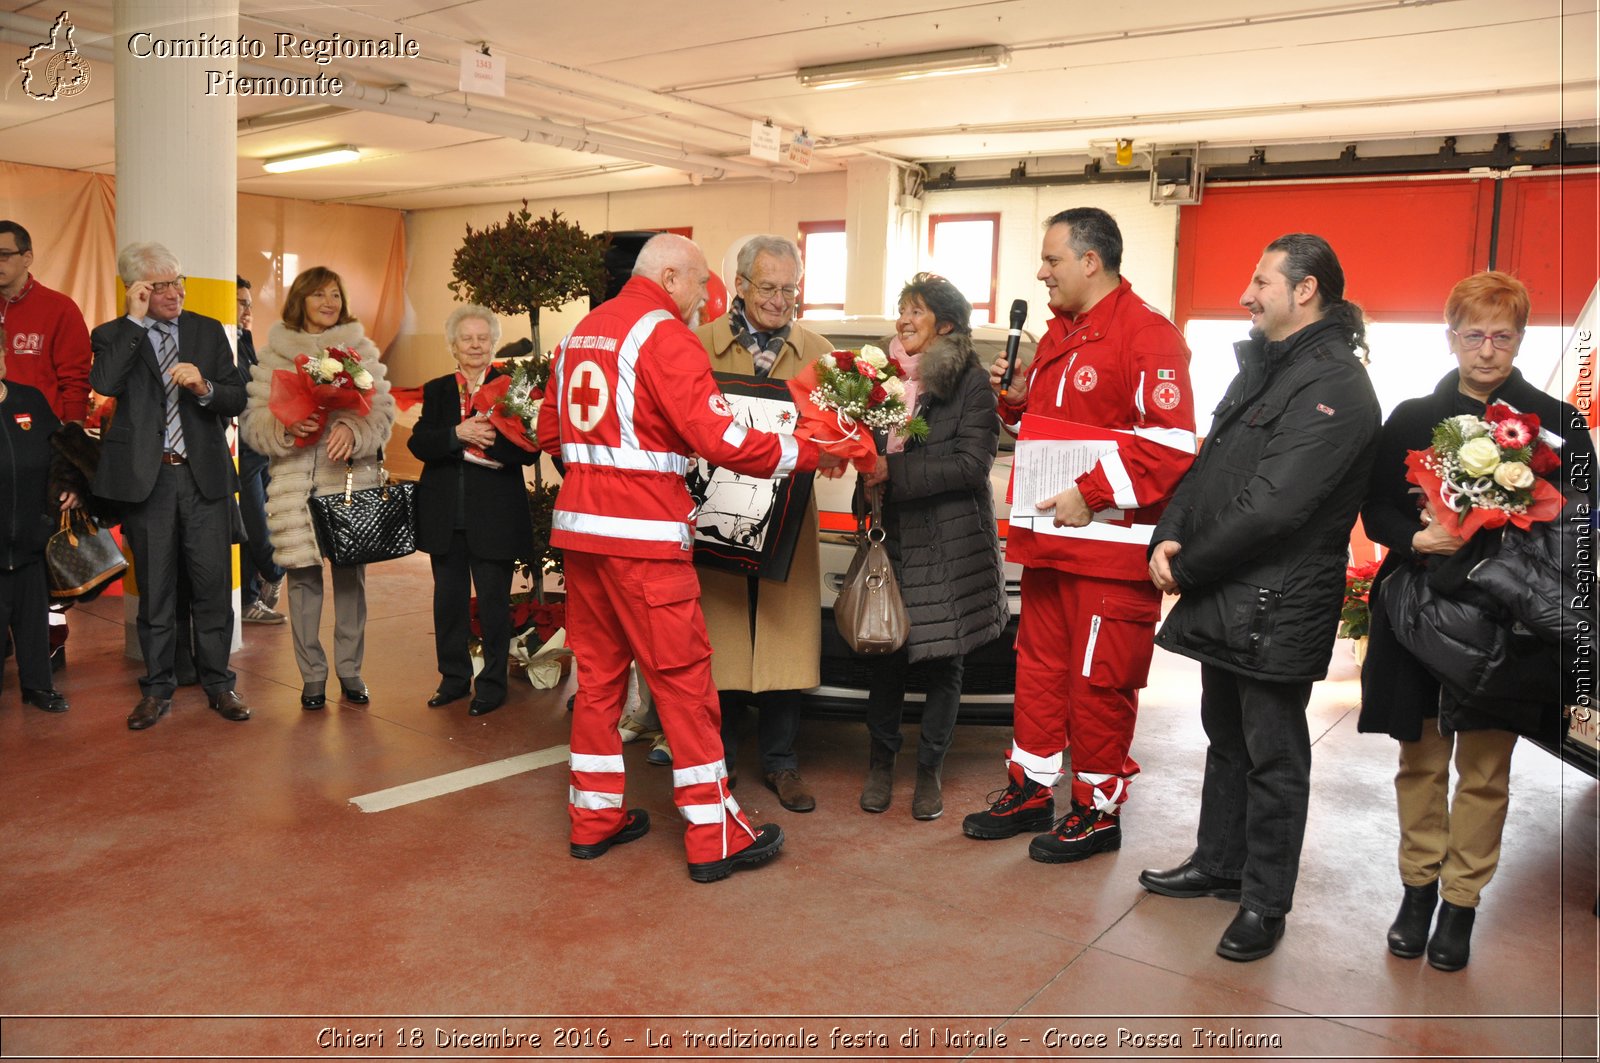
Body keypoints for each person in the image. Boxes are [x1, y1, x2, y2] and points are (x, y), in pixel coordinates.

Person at [537, 233, 842, 882]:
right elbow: (719, 436)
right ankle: (714, 834)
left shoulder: (581, 335)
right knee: (685, 682)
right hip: (644, 543)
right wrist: (808, 454)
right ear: (669, 275)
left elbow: (549, 433)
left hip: (581, 538)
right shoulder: (665, 337)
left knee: (597, 682)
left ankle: (593, 818)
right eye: (700, 283)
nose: (705, 296)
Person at [1142, 233, 1381, 962]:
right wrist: (1170, 532)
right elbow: (1210, 464)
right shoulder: (1268, 368)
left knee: (1274, 758)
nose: (1246, 295)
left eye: (1260, 281)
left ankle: (1264, 902)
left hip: (1277, 600)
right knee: (1225, 737)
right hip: (1230, 590)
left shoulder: (1335, 384)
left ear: (1305, 290)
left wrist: (1190, 565)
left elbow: (1274, 508)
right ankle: (1219, 862)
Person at [1357, 271, 1597, 972]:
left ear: (1521, 338)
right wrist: (1417, 539)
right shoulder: (1407, 416)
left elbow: (1584, 525)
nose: (1487, 349)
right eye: (1473, 333)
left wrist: (1523, 525)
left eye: (1502, 335)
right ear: (1450, 336)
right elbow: (1377, 508)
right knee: (1420, 760)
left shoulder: (1558, 422)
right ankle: (1416, 890)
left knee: (1487, 770)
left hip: (1504, 622)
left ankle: (1461, 902)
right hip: (1420, 613)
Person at [964, 207, 1196, 864]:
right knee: (1037, 673)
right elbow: (1058, 424)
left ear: (1090, 261)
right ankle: (1032, 790)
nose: (1042, 272)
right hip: (1050, 547)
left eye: (1052, 259)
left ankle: (1097, 811)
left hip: (1109, 556)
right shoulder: (1060, 335)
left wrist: (1089, 493)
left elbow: (1171, 447)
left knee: (1098, 684)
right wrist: (1014, 401)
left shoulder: (1148, 335)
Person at [693, 234, 834, 810]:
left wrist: (837, 448)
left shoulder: (821, 352)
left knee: (783, 635)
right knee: (720, 633)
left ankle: (781, 763)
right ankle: (719, 759)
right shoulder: (697, 346)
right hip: (717, 509)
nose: (780, 301)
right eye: (768, 288)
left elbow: (837, 431)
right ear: (743, 286)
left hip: (789, 514)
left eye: (790, 290)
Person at [859, 274, 1005, 820]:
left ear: (944, 324)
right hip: (891, 537)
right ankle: (880, 765)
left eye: (916, 310)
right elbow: (863, 451)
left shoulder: (968, 382)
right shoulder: (880, 377)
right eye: (901, 308)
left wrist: (889, 470)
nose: (904, 319)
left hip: (950, 546)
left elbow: (972, 466)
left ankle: (929, 771)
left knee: (945, 663)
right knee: (885, 657)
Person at [89, 242, 252, 730]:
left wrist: (204, 387)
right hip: (149, 480)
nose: (174, 292)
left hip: (202, 477)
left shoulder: (205, 330)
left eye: (178, 281)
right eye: (160, 285)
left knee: (212, 587)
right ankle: (157, 689)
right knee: (156, 591)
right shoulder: (113, 334)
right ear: (136, 289)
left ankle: (220, 684)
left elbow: (237, 395)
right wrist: (136, 323)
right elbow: (106, 381)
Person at [239, 267, 396, 710]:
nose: (328, 302)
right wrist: (287, 425)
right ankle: (311, 676)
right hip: (292, 486)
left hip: (347, 481)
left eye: (334, 294)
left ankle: (350, 671)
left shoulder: (359, 351)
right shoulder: (273, 355)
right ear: (300, 301)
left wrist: (353, 429)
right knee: (303, 582)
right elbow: (252, 425)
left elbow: (382, 413)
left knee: (351, 582)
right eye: (318, 295)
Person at [408, 304, 538, 716]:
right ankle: (453, 679)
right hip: (445, 514)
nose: (476, 345)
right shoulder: (438, 389)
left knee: (495, 605)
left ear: (494, 342)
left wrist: (488, 442)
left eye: (484, 338)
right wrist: (457, 434)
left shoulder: (514, 386)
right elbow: (419, 443)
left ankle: (493, 684)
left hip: (494, 516)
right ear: (453, 345)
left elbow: (528, 453)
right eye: (468, 338)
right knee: (448, 604)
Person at [0, 326, 80, 713]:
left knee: (35, 621)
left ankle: (38, 687)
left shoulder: (28, 400)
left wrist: (71, 485)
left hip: (33, 538)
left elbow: (60, 451)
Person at [0, 221, 92, 424]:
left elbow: (76, 378)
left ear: (27, 258)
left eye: (4, 254)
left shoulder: (60, 308)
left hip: (39, 428)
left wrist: (73, 430)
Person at [234, 276, 284, 625]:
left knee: (259, 521)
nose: (248, 310)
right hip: (237, 451)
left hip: (258, 447)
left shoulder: (245, 341)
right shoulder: (221, 343)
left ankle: (252, 596)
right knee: (253, 526)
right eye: (241, 302)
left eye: (250, 303)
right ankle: (275, 571)